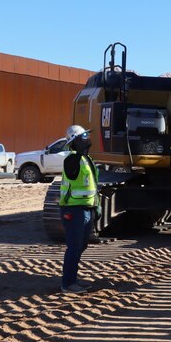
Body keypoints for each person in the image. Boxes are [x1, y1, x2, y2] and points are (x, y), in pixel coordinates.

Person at [59, 124, 99, 294]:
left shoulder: (86, 159)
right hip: (73, 209)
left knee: (81, 245)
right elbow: (73, 174)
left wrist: (96, 206)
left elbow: (92, 186)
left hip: (86, 208)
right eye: (84, 137)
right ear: (76, 141)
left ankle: (72, 279)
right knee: (74, 246)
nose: (88, 140)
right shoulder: (72, 159)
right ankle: (68, 284)